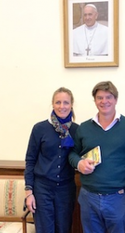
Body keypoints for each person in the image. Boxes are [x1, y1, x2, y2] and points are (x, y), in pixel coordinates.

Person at [68, 81, 125, 233]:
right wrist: (79, 163)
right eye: (100, 98)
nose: (104, 101)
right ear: (95, 101)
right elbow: (72, 154)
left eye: (108, 97)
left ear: (116, 99)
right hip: (88, 197)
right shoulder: (84, 128)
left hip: (118, 198)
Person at [24, 87, 79, 233]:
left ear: (71, 105)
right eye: (58, 102)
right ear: (52, 104)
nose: (62, 106)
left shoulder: (76, 130)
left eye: (66, 102)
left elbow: (81, 157)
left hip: (66, 190)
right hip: (42, 189)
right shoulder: (39, 129)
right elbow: (30, 160)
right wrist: (29, 192)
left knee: (64, 229)